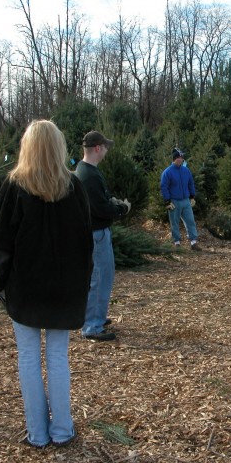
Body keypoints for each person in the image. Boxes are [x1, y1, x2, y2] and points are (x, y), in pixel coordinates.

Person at [0, 120, 93, 448]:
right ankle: (62, 430)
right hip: (62, 288)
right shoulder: (73, 187)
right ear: (59, 146)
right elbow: (84, 242)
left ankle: (38, 433)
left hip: (27, 287)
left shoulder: (15, 185)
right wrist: (82, 282)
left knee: (29, 357)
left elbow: (1, 242)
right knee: (57, 357)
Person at [75, 130, 131, 342]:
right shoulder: (88, 175)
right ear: (97, 148)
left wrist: (113, 203)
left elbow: (101, 201)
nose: (107, 150)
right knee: (99, 278)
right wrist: (121, 209)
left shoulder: (86, 171)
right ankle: (92, 326)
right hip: (96, 234)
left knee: (100, 277)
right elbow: (99, 208)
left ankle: (95, 316)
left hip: (95, 233)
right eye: (105, 147)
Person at [160, 147, 201, 251]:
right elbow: (164, 187)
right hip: (174, 201)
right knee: (174, 222)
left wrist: (192, 196)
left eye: (181, 157)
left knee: (190, 221)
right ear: (173, 159)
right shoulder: (167, 172)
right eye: (177, 158)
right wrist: (167, 201)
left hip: (186, 201)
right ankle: (177, 242)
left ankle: (193, 242)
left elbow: (191, 183)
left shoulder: (186, 170)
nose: (179, 159)